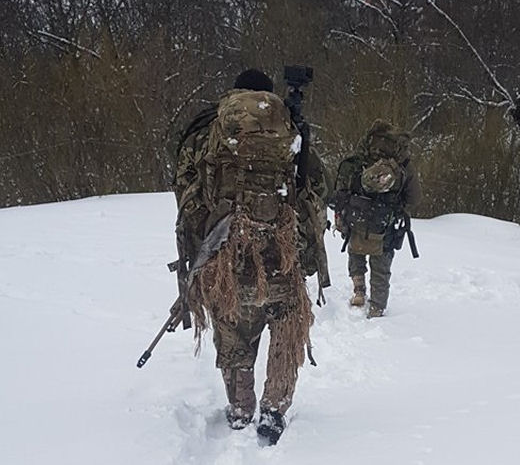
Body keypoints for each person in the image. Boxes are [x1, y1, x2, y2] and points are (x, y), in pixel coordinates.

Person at [172, 69, 325, 445]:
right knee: (287, 330)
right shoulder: (289, 132)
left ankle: (241, 408)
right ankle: (273, 411)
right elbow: (316, 189)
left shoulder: (209, 132)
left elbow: (186, 197)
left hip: (226, 256)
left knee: (233, 333)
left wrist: (199, 254)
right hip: (280, 254)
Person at [329, 119, 422, 318]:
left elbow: (342, 187)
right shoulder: (403, 163)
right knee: (381, 265)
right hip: (385, 221)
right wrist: (398, 207)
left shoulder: (361, 156)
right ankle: (377, 307)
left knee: (356, 251)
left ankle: (359, 291)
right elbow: (414, 197)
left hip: (356, 215)